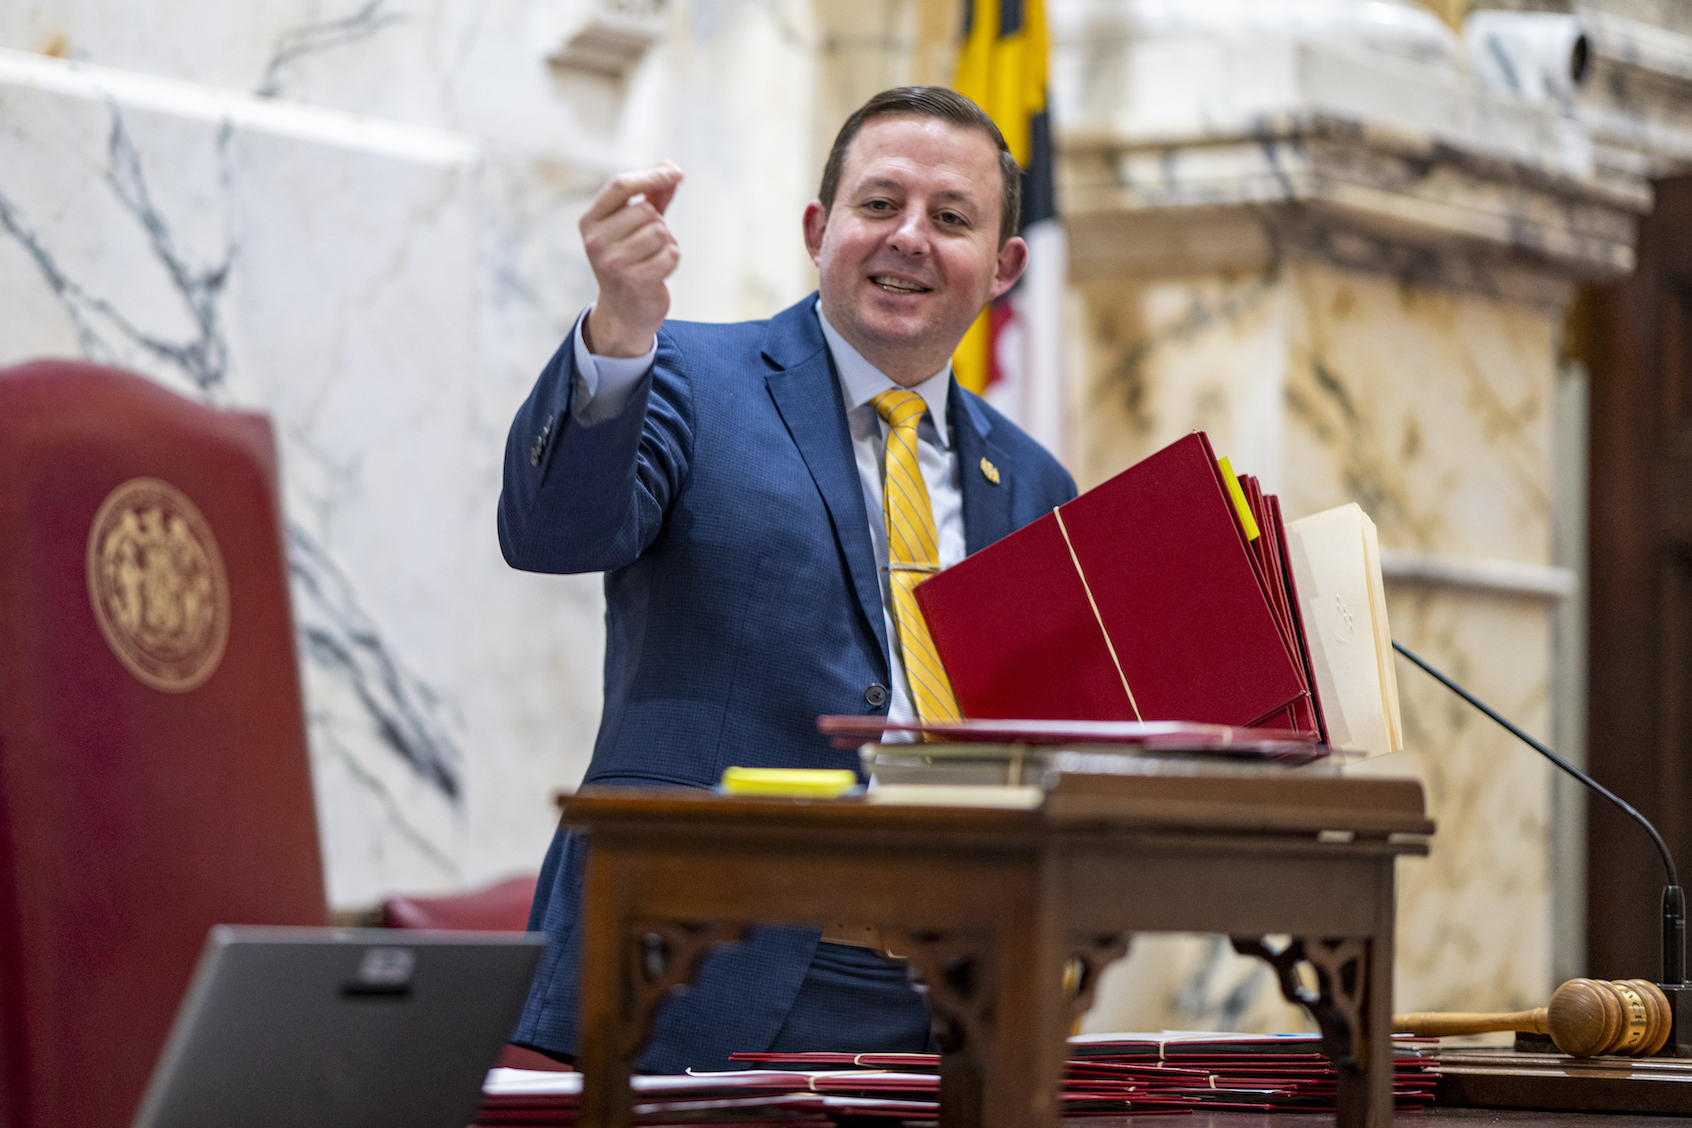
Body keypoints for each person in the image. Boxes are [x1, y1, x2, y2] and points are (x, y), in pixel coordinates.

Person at [499, 86, 1076, 1072]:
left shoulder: (1034, 482)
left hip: (948, 1001)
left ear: (1006, 265)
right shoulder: (681, 375)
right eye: (879, 204)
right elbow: (554, 530)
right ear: (820, 228)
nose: (910, 238)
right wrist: (616, 334)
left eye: (950, 218)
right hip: (693, 972)